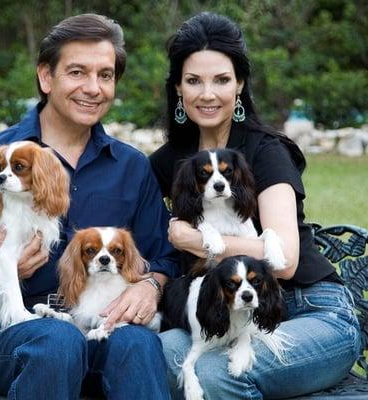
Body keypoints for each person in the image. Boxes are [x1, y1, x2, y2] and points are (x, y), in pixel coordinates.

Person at [0, 14, 177, 400]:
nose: (92, 88)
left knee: (137, 344)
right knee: (56, 341)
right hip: (2, 330)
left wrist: (152, 285)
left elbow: (166, 255)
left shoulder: (131, 168)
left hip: (100, 321)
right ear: (46, 77)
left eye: (105, 75)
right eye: (76, 72)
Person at [149, 12, 361, 400]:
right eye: (194, 80)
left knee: (217, 375)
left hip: (309, 311)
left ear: (240, 84)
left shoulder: (266, 151)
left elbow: (287, 260)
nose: (207, 94)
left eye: (222, 80)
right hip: (218, 315)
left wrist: (199, 241)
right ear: (178, 88)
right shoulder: (169, 163)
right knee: (157, 356)